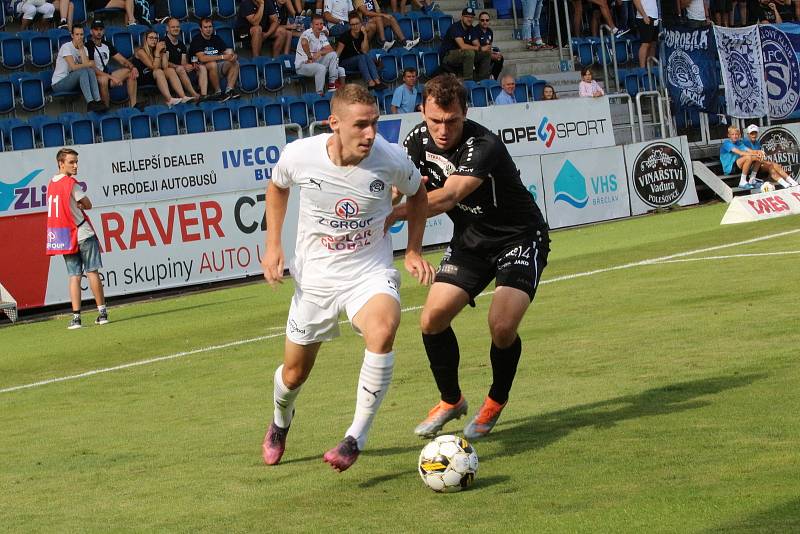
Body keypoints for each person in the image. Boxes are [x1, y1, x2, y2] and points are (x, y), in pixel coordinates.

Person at [260, 84, 435, 471]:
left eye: (374, 123)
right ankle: (279, 421)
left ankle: (356, 436)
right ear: (334, 124)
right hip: (316, 278)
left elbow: (418, 196)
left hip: (368, 271)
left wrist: (412, 249)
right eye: (360, 125)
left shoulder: (391, 158)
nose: (370, 134)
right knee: (293, 375)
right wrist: (273, 244)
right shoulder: (300, 155)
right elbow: (277, 188)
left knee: (384, 328)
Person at [389, 74, 550, 441]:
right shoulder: (415, 140)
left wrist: (396, 215)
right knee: (432, 319)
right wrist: (376, 207)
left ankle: (495, 400)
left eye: (452, 121)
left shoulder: (484, 144)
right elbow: (397, 187)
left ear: (465, 112)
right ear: (423, 112)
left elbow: (447, 197)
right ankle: (451, 401)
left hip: (519, 237)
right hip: (470, 241)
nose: (443, 130)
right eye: (435, 121)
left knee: (502, 326)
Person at [46, 148, 109, 330]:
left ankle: (76, 318)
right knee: (92, 272)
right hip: (82, 233)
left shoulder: (51, 184)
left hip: (65, 236)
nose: (75, 165)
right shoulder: (71, 183)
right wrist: (80, 204)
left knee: (74, 276)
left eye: (76, 162)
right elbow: (87, 204)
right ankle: (102, 313)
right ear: (61, 163)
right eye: (72, 162)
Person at [85, 19, 140, 109]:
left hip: (106, 75)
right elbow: (92, 68)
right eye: (96, 29)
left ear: (104, 31)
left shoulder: (107, 44)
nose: (98, 32)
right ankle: (105, 108)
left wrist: (133, 67)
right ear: (91, 31)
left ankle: (133, 105)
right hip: (94, 77)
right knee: (103, 79)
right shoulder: (88, 46)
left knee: (130, 72)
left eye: (101, 29)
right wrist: (111, 77)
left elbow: (122, 60)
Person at [52, 25, 106, 112]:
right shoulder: (66, 47)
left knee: (90, 70)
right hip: (59, 83)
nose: (79, 37)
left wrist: (81, 50)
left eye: (81, 35)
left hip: (73, 80)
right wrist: (88, 63)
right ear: (72, 35)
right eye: (77, 34)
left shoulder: (84, 48)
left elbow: (88, 66)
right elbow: (73, 67)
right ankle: (90, 103)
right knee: (83, 71)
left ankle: (98, 101)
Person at [134, 30, 195, 106]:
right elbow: (154, 67)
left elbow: (165, 66)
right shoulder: (140, 51)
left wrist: (163, 52)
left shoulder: (157, 50)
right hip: (143, 77)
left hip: (156, 77)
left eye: (156, 38)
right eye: (151, 38)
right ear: (145, 40)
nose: (154, 40)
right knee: (158, 71)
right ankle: (169, 99)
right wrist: (157, 52)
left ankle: (183, 97)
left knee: (170, 70)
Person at [190, 17, 241, 101]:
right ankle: (218, 92)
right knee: (212, 64)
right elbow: (202, 58)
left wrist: (233, 56)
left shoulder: (215, 38)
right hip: (201, 71)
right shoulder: (197, 40)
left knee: (235, 63)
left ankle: (229, 90)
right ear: (200, 29)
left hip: (217, 68)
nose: (208, 29)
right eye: (205, 27)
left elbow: (227, 51)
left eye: (210, 27)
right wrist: (222, 57)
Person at [296, 15, 346, 95]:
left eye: (321, 24)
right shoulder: (307, 33)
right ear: (311, 25)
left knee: (335, 56)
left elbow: (330, 49)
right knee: (321, 68)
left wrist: (320, 52)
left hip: (315, 63)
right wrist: (310, 57)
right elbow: (304, 43)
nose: (319, 26)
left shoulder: (321, 34)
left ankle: (332, 85)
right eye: (317, 24)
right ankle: (319, 93)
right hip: (303, 65)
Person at [439, 8, 491, 82]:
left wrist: (485, 49)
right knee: (469, 52)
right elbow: (462, 46)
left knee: (485, 53)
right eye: (467, 16)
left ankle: (483, 81)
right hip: (448, 56)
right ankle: (468, 81)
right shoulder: (455, 27)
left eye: (472, 17)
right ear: (462, 17)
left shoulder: (472, 28)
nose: (469, 19)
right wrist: (480, 48)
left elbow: (476, 43)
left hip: (462, 54)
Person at [335, 13, 386, 91]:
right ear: (349, 26)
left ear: (361, 24)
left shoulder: (362, 34)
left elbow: (365, 51)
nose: (355, 26)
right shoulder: (345, 36)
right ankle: (370, 83)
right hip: (345, 63)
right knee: (361, 57)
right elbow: (337, 54)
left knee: (365, 55)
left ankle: (377, 81)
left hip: (360, 61)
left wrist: (365, 34)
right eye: (352, 24)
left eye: (357, 24)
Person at [163, 17, 208, 100]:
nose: (176, 29)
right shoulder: (163, 43)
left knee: (201, 67)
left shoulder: (181, 44)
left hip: (181, 70)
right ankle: (195, 95)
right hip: (169, 72)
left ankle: (203, 95)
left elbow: (183, 63)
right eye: (173, 27)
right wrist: (179, 66)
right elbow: (164, 64)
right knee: (180, 68)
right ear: (167, 29)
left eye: (177, 27)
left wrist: (190, 66)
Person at [353, 0, 420, 51]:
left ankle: (405, 42)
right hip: (365, 22)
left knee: (391, 18)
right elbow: (366, 12)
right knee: (379, 18)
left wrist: (385, 17)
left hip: (375, 19)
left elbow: (378, 11)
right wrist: (383, 15)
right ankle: (383, 43)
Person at [474, 12, 505, 80]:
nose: (485, 22)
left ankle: (493, 78)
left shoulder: (490, 31)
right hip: (478, 55)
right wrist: (491, 55)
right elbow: (479, 48)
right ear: (479, 21)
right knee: (488, 56)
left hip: (487, 53)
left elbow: (489, 46)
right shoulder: (475, 31)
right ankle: (484, 80)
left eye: (487, 20)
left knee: (500, 57)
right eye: (482, 20)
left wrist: (494, 54)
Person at [633, 0, 659, 67]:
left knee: (653, 43)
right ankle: (642, 69)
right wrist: (644, 15)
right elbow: (636, 1)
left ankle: (650, 67)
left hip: (654, 16)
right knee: (645, 43)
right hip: (645, 17)